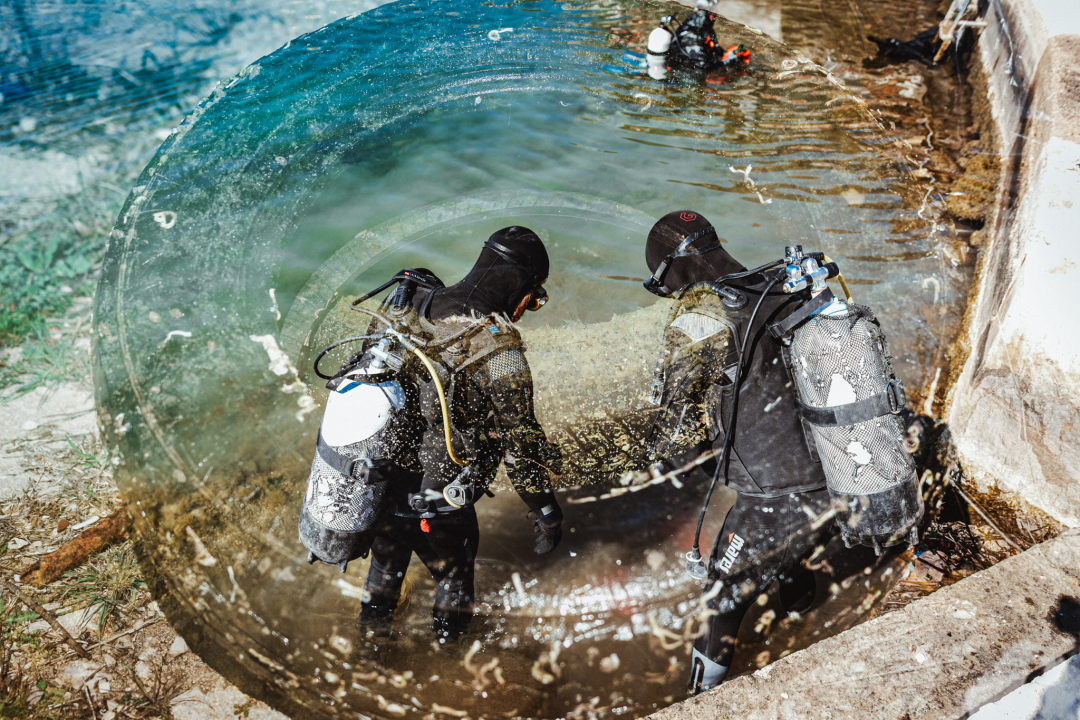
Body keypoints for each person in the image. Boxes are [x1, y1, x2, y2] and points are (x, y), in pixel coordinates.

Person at [641, 211, 837, 694]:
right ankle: (803, 626)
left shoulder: (699, 319)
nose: (670, 296)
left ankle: (700, 701)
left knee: (719, 606)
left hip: (773, 500)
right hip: (839, 470)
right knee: (790, 558)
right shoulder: (784, 281)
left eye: (662, 285)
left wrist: (669, 463)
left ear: (672, 270)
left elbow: (674, 432)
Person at [358, 226, 564, 643]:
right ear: (522, 284)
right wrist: (546, 512)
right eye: (534, 299)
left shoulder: (408, 301)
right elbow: (522, 450)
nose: (525, 311)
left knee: (382, 578)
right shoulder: (500, 353)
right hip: (441, 505)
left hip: (379, 488)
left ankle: (369, 659)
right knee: (452, 581)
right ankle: (450, 668)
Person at [666, 0, 751, 73]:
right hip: (685, 75)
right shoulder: (690, 36)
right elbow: (702, 67)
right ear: (704, 14)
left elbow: (714, 47)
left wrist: (728, 53)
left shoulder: (705, 27)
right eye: (714, 14)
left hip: (702, 66)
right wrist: (728, 61)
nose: (716, 17)